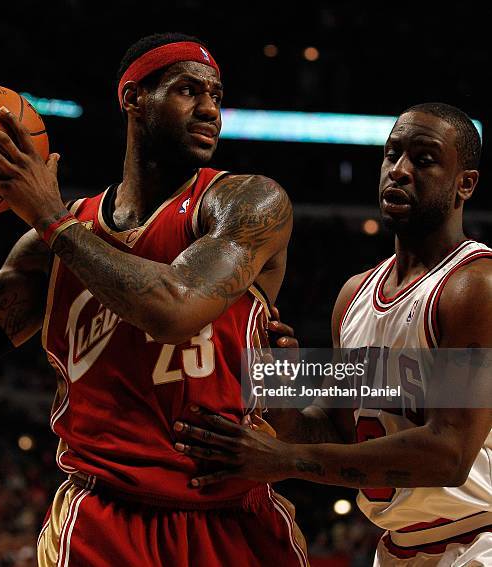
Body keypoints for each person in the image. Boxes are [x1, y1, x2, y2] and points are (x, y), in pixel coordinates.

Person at [0, 33, 309, 566]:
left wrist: (53, 221)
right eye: (189, 90)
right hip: (105, 520)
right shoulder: (54, 245)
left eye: (216, 94)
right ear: (132, 97)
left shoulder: (247, 202)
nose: (210, 108)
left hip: (232, 514)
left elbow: (174, 310)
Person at [173, 103, 492, 566]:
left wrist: (282, 459)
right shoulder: (353, 295)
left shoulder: (475, 286)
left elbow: (450, 452)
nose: (398, 171)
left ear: (465, 184)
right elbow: (336, 428)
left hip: (479, 540)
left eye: (423, 160)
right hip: (397, 548)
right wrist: (281, 388)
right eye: (391, 155)